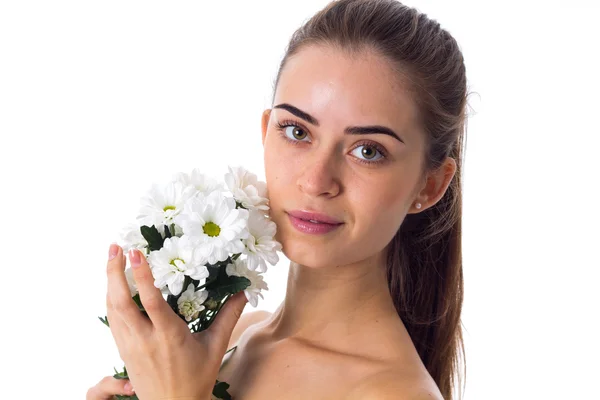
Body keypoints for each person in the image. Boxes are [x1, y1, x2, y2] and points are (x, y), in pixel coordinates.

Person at [87, 0, 469, 398]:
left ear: (430, 186)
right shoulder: (234, 335)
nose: (316, 181)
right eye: (298, 132)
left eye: (368, 150)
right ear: (267, 130)